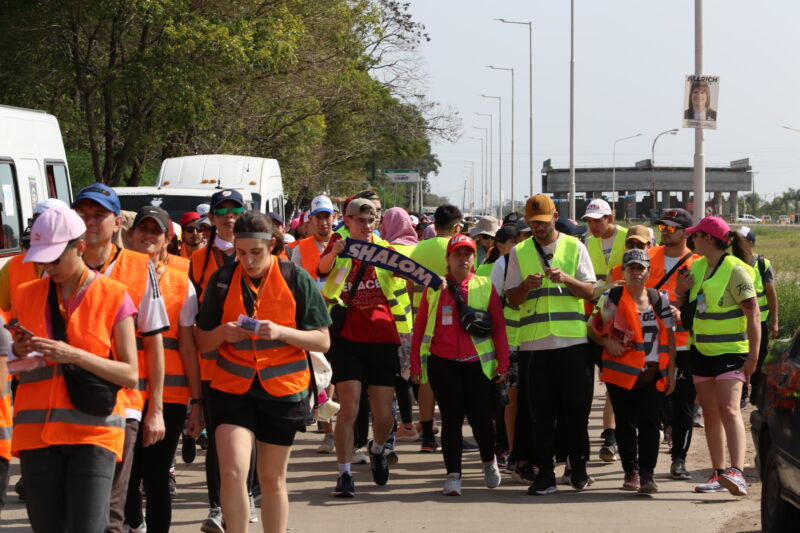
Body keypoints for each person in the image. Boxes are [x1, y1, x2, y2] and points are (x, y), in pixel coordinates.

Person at [196, 211, 331, 533]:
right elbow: (202, 342)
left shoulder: (296, 278)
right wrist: (223, 333)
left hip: (283, 389)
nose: (248, 261)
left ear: (271, 244)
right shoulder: (223, 279)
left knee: (272, 478)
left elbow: (322, 341)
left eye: (255, 252)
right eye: (240, 253)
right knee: (231, 472)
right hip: (231, 387)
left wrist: (281, 332)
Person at [10, 206, 138, 532]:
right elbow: (19, 371)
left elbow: (129, 373)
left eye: (54, 258)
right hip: (37, 436)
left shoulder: (114, 295)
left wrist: (74, 355)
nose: (47, 266)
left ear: (79, 247)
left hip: (94, 433)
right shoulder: (26, 295)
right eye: (42, 258)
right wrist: (18, 351)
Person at [72, 184, 169, 533]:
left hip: (121, 403)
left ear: (117, 224)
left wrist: (154, 409)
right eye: (82, 215)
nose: (89, 222)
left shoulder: (139, 268)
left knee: (110, 507)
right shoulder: (58, 264)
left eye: (99, 215)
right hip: (65, 401)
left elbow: (155, 344)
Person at [318, 198, 412, 497]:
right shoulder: (339, 246)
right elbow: (321, 269)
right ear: (347, 221)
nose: (366, 226)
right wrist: (334, 252)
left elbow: (411, 276)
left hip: (384, 336)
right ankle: (344, 474)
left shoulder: (386, 250)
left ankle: (378, 448)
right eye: (360, 220)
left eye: (371, 220)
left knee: (384, 415)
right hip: (347, 338)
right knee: (349, 407)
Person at [505, 194, 596, 495]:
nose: (538, 228)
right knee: (540, 415)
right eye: (532, 224)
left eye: (542, 223)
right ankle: (545, 474)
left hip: (571, 343)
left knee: (576, 410)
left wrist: (566, 278)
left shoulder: (574, 246)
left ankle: (578, 468)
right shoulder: (519, 251)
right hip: (534, 346)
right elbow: (511, 299)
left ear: (555, 217)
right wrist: (524, 287)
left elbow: (589, 291)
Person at [123, 206, 204, 533]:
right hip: (124, 392)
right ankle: (135, 524)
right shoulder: (114, 274)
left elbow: (187, 346)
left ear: (168, 239)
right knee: (125, 476)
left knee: (156, 478)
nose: (147, 236)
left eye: (155, 231)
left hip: (169, 395)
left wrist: (196, 404)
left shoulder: (181, 282)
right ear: (130, 235)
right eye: (142, 229)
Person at [410, 234, 509, 496]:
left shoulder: (484, 285)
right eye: (458, 254)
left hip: (477, 365)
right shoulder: (435, 289)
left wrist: (503, 363)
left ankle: (488, 460)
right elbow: (419, 327)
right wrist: (416, 364)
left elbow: (498, 327)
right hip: (443, 364)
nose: (463, 259)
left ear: (474, 258)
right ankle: (453, 475)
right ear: (448, 258)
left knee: (481, 421)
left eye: (468, 254)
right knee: (452, 420)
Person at [675, 216, 760, 496]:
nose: (691, 239)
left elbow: (754, 314)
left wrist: (753, 358)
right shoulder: (696, 267)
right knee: (710, 412)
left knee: (729, 408)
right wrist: (681, 292)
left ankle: (738, 472)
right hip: (701, 351)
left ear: (708, 238)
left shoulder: (737, 271)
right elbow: (687, 308)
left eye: (695, 235)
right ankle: (718, 473)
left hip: (733, 352)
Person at [589, 248, 677, 494]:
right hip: (621, 374)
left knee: (650, 422)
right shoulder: (614, 298)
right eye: (632, 268)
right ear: (624, 272)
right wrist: (608, 342)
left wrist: (671, 372)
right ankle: (632, 472)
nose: (636, 272)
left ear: (648, 271)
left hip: (651, 373)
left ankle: (647, 475)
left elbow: (670, 337)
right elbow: (593, 330)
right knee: (625, 424)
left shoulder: (659, 300)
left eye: (641, 268)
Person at [189, 188, 246, 531]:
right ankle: (216, 507)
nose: (228, 215)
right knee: (217, 436)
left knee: (246, 435)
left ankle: (247, 494)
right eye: (220, 210)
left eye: (234, 208)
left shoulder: (259, 254)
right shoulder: (196, 260)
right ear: (211, 219)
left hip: (253, 362)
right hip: (212, 360)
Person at [650, 209, 700, 481]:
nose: (664, 232)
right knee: (651, 402)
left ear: (685, 232)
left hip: (683, 345)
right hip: (650, 344)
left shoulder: (698, 264)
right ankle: (641, 461)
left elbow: (699, 307)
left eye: (670, 228)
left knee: (683, 405)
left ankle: (679, 458)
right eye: (662, 227)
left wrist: (680, 304)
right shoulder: (648, 257)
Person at [409, 204, 463, 452]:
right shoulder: (456, 249)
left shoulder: (419, 248)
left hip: (422, 316)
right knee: (454, 377)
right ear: (456, 226)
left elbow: (409, 287)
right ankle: (454, 432)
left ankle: (428, 436)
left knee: (426, 378)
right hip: (448, 320)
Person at [582, 197, 627, 462]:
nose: (593, 226)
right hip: (594, 315)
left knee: (614, 377)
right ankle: (607, 434)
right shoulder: (587, 242)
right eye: (589, 221)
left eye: (597, 221)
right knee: (595, 376)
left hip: (622, 316)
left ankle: (612, 434)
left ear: (610, 219)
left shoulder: (627, 238)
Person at [378, 206, 420, 446]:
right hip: (414, 321)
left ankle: (403, 425)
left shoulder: (387, 251)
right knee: (414, 373)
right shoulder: (418, 248)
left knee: (396, 378)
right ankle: (420, 422)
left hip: (389, 322)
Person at [731, 225, 779, 402]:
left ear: (750, 243)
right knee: (741, 358)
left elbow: (771, 295)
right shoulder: (731, 262)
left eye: (741, 239)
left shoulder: (762, 264)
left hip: (760, 322)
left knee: (759, 359)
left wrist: (775, 321)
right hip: (738, 323)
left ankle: (757, 395)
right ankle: (741, 395)